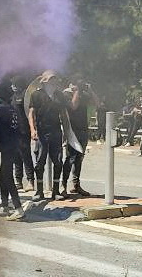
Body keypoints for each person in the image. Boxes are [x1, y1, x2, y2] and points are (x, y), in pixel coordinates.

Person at [28, 70, 66, 202]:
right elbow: (31, 113)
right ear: (44, 81)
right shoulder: (36, 95)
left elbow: (64, 114)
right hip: (42, 132)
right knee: (40, 162)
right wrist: (33, 130)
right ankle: (39, 191)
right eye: (51, 80)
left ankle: (56, 190)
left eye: (55, 80)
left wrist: (66, 131)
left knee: (58, 161)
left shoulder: (59, 96)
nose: (53, 82)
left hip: (56, 131)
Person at [0, 82, 23, 220]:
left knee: (7, 177)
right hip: (12, 146)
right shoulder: (12, 108)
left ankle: (18, 209)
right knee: (2, 176)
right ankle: (4, 206)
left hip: (7, 147)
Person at [61, 77, 97, 197]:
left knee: (79, 158)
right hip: (72, 130)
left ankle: (76, 185)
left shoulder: (84, 95)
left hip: (83, 129)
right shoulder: (66, 94)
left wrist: (90, 90)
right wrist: (76, 91)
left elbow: (97, 104)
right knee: (70, 158)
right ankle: (63, 185)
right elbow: (73, 106)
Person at [11, 79, 35, 192]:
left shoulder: (25, 95)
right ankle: (18, 181)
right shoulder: (12, 97)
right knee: (16, 156)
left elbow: (29, 111)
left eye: (15, 84)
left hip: (24, 130)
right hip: (14, 131)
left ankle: (30, 180)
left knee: (26, 155)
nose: (13, 86)